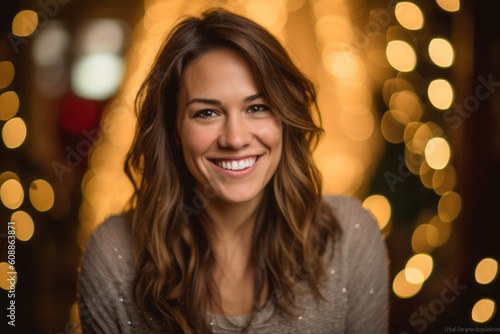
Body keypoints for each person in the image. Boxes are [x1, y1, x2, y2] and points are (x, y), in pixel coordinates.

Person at [78, 8, 388, 334]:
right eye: (207, 113)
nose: (236, 139)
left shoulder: (351, 237)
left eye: (257, 108)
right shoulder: (114, 259)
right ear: (174, 129)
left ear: (283, 118)